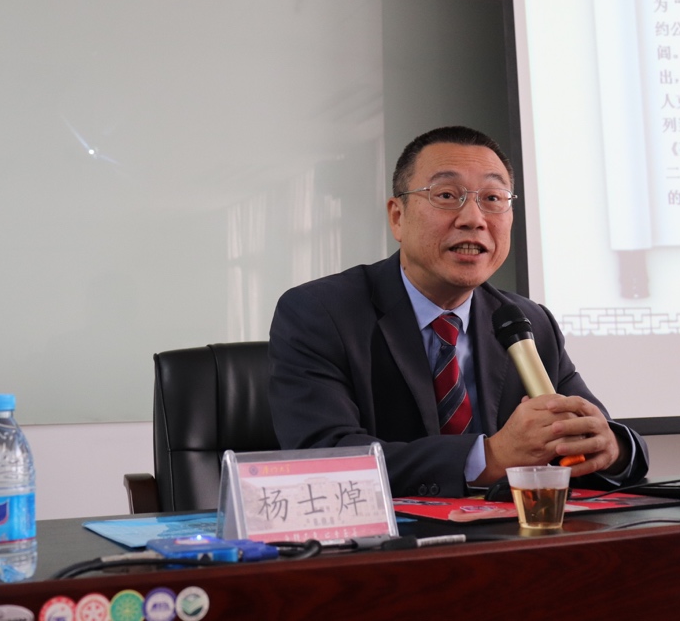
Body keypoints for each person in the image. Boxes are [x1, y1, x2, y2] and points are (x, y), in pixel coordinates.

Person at [268, 126, 649, 498]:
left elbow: (602, 440)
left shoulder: (527, 321)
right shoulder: (321, 313)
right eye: (447, 195)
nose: (473, 219)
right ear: (398, 216)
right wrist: (491, 457)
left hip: (509, 534)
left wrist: (612, 448)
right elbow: (324, 460)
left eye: (493, 198)